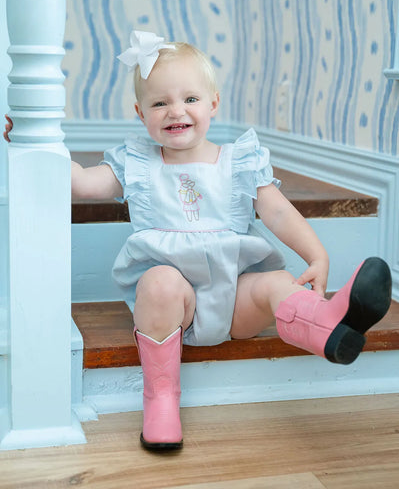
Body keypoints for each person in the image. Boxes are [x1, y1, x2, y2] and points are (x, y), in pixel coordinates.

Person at [3, 30, 392, 452]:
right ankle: (162, 400)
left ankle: (328, 328)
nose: (176, 110)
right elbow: (81, 183)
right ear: (140, 113)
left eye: (190, 99)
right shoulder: (137, 164)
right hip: (174, 311)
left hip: (235, 299)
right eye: (159, 102)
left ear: (213, 104)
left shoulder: (238, 161)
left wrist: (316, 254)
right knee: (158, 282)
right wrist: (32, 139)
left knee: (276, 282)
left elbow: (278, 211)